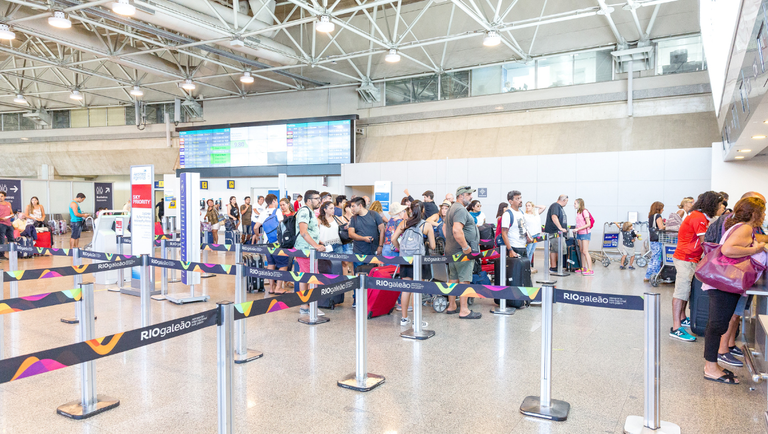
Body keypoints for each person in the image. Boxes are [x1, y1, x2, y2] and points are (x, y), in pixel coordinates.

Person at [703, 197, 766, 385]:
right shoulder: (745, 228)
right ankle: (710, 368)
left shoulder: (738, 226)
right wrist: (756, 249)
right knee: (717, 325)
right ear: (754, 213)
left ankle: (712, 365)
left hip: (723, 283)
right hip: (725, 284)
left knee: (717, 325)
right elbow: (729, 250)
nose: (764, 215)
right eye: (762, 211)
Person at [670, 191, 724, 342]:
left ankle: (682, 318)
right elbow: (704, 242)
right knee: (681, 291)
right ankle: (676, 328)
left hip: (690, 258)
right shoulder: (698, 218)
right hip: (685, 258)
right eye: (719, 205)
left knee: (687, 290)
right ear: (712, 204)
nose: (721, 207)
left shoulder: (699, 216)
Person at [392, 200, 436, 326]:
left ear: (410, 210)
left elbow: (393, 239)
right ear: (423, 210)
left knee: (406, 289)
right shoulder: (426, 225)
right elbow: (433, 246)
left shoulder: (404, 223)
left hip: (406, 260)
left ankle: (404, 318)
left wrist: (401, 249)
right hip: (419, 261)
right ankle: (417, 320)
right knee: (417, 289)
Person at [444, 186, 481, 319]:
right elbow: (456, 230)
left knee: (453, 279)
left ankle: (452, 305)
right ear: (461, 195)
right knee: (464, 280)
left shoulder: (451, 209)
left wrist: (451, 242)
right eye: (469, 195)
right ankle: (464, 310)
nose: (471, 197)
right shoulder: (459, 209)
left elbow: (444, 228)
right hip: (461, 252)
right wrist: (465, 247)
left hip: (452, 250)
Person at [348, 197, 385, 307]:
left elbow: (382, 229)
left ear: (360, 205)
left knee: (372, 276)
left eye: (353, 206)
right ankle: (357, 299)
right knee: (357, 277)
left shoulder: (374, 215)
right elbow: (351, 234)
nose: (351, 209)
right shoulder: (354, 219)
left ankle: (370, 300)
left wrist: (380, 246)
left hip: (372, 251)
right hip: (358, 252)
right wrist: (363, 238)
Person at [294, 190, 326, 315]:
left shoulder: (310, 211)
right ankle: (310, 305)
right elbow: (303, 232)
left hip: (310, 249)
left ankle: (305, 305)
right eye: (317, 198)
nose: (319, 201)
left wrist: (319, 242)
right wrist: (316, 245)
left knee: (306, 277)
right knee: (312, 278)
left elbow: (311, 232)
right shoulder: (304, 211)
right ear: (308, 200)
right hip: (305, 250)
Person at [253, 194, 289, 294]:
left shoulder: (263, 212)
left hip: (267, 243)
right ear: (274, 201)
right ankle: (278, 288)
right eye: (276, 201)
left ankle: (272, 288)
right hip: (277, 243)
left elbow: (255, 227)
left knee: (270, 264)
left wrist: (257, 235)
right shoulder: (277, 211)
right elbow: (282, 226)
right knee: (283, 265)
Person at [500, 190, 528, 258]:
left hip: (523, 246)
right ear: (511, 201)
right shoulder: (508, 214)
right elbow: (504, 233)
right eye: (517, 199)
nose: (520, 200)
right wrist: (510, 250)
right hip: (514, 247)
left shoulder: (521, 212)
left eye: (520, 198)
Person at [545, 195, 569, 272]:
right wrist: (560, 228)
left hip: (559, 233)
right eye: (566, 201)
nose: (566, 203)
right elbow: (554, 217)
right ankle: (554, 267)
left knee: (558, 249)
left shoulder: (559, 207)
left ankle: (557, 266)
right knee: (555, 249)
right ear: (564, 200)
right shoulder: (555, 206)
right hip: (555, 232)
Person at [645, 201, 666, 282]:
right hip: (658, 239)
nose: (663, 209)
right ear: (659, 208)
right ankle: (655, 276)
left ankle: (647, 276)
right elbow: (661, 227)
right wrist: (666, 225)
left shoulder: (651, 216)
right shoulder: (658, 216)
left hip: (652, 239)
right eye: (662, 208)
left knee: (653, 258)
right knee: (657, 258)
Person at [573, 198, 594, 275]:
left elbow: (588, 224)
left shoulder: (584, 211)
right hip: (579, 233)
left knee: (585, 251)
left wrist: (578, 228)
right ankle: (583, 268)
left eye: (575, 203)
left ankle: (590, 270)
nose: (574, 205)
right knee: (581, 251)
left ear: (579, 204)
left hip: (585, 233)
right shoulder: (578, 212)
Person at [524, 201, 546, 272]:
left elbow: (543, 207)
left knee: (532, 251)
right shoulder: (524, 215)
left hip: (537, 234)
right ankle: (526, 266)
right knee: (528, 250)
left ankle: (529, 266)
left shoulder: (536, 213)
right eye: (526, 206)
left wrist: (535, 206)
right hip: (530, 235)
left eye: (529, 205)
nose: (527, 207)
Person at [0, 192, 13, 260]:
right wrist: (2, 218)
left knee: (11, 239)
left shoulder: (8, 204)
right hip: (1, 224)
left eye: (2, 196)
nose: (0, 197)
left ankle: (13, 254)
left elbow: (11, 212)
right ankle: (1, 255)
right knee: (1, 240)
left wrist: (12, 215)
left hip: (9, 224)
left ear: (5, 197)